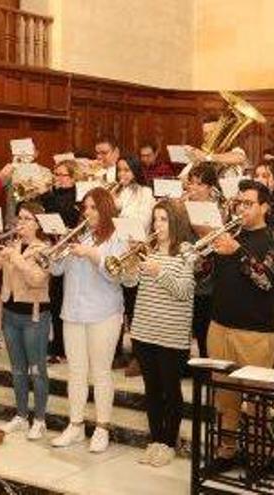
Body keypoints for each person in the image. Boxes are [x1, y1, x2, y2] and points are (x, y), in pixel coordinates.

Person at [207, 179, 274, 462]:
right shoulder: (229, 234)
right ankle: (227, 447)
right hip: (220, 326)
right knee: (224, 396)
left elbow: (267, 279)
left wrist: (237, 252)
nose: (242, 208)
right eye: (239, 203)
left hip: (257, 333)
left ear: (265, 207)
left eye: (249, 203)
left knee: (256, 399)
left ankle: (258, 451)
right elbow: (206, 277)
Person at [50, 187, 131, 453]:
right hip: (73, 310)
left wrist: (92, 254)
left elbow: (117, 275)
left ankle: (102, 427)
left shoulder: (118, 236)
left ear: (105, 209)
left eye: (94, 207)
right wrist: (58, 247)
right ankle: (75, 425)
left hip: (104, 312)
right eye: (85, 207)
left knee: (101, 371)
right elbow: (56, 269)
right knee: (75, 371)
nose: (88, 212)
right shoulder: (79, 234)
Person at [127, 200, 195, 467]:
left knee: (170, 389)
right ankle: (155, 441)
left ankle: (169, 442)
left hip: (171, 334)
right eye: (155, 219)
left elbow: (184, 291)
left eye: (164, 219)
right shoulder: (149, 249)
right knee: (152, 390)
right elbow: (131, 283)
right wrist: (132, 265)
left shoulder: (187, 252)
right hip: (144, 330)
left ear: (176, 222)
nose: (158, 225)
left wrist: (159, 272)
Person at [0, 202, 52, 440]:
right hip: (10, 316)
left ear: (38, 224)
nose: (20, 223)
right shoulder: (12, 245)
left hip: (34, 316)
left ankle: (40, 419)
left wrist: (18, 259)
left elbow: (37, 280)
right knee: (18, 370)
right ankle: (21, 415)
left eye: (27, 219)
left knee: (36, 369)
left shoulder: (45, 248)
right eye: (19, 218)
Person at [114, 155, 157, 373]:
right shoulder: (117, 191)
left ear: (136, 171)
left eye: (127, 170)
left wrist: (118, 216)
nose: (122, 174)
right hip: (117, 253)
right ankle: (116, 351)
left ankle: (139, 357)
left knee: (134, 308)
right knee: (117, 305)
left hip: (135, 254)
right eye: (120, 170)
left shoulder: (145, 193)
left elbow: (143, 222)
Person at [41, 159, 80, 363]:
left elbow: (65, 213)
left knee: (68, 299)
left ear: (72, 177)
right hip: (55, 249)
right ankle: (57, 343)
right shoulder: (52, 195)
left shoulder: (77, 195)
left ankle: (66, 346)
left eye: (61, 174)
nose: (57, 178)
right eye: (55, 174)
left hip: (72, 254)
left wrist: (48, 195)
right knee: (55, 299)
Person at [184, 163, 221, 358]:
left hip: (207, 282)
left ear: (209, 188)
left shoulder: (218, 210)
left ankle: (206, 371)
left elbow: (218, 242)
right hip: (184, 278)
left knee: (203, 331)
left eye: (199, 184)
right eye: (191, 183)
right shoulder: (182, 207)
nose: (194, 188)